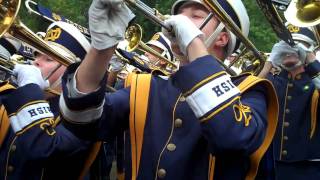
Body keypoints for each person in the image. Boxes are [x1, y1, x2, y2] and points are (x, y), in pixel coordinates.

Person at [59, 0, 278, 179]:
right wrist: (101, 48)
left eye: (196, 15)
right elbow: (81, 122)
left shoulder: (251, 90)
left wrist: (194, 44)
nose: (179, 20)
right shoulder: (145, 87)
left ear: (222, 37)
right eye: (180, 14)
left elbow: (232, 136)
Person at [0, 21, 96, 179]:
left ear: (73, 72)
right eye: (37, 54)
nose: (36, 61)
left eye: (49, 59)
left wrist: (30, 86)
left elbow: (47, 151)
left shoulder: (81, 118)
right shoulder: (18, 94)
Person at [258, 25, 320, 179]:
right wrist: (267, 66)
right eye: (285, 46)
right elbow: (245, 101)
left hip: (309, 166)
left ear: (310, 49)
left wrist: (312, 60)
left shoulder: (315, 81)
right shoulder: (272, 79)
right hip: (271, 163)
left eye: (297, 45)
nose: (290, 51)